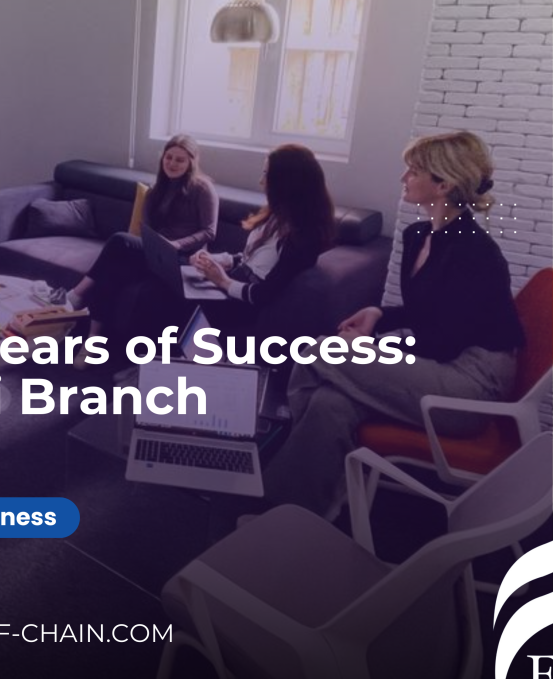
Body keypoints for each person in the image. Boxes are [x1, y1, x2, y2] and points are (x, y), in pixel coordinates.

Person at [262, 130, 524, 517]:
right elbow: (426, 313)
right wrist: (380, 315)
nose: (404, 178)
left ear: (444, 184)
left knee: (319, 352)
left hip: (472, 383)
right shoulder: (418, 236)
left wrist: (372, 346)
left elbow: (443, 342)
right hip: (441, 359)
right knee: (330, 403)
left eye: (414, 171)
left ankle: (284, 442)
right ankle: (297, 511)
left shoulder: (475, 253)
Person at [57, 134, 218, 326]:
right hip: (158, 253)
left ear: (191, 162)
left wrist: (176, 244)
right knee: (112, 271)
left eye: (180, 160)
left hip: (186, 259)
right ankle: (93, 336)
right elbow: (147, 229)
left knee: (120, 240)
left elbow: (209, 231)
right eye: (168, 157)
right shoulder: (156, 190)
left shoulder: (203, 189)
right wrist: (155, 243)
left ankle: (76, 295)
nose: (172, 163)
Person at [189, 143, 335, 338]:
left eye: (266, 175)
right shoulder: (278, 215)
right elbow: (253, 261)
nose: (261, 181)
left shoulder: (303, 237)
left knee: (172, 302)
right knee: (169, 286)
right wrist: (216, 260)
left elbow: (263, 294)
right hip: (232, 286)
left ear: (286, 182)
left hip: (241, 306)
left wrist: (222, 281)